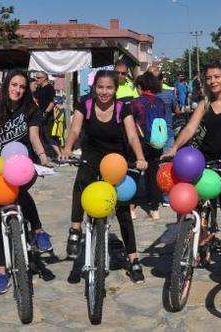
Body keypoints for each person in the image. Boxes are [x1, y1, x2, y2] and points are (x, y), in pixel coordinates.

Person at [0, 70, 54, 294]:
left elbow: (34, 137)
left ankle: (38, 230)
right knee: (1, 210)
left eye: (22, 86)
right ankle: (2, 272)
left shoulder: (30, 110)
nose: (18, 90)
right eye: (14, 85)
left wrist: (43, 157)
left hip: (22, 164)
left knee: (20, 191)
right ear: (6, 86)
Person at [61, 70, 148, 284]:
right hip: (91, 157)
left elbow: (131, 135)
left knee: (122, 209)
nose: (104, 92)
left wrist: (140, 157)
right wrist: (67, 148)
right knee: (82, 180)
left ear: (115, 89)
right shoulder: (86, 105)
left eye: (109, 87)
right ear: (94, 88)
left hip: (116, 161)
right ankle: (75, 228)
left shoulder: (122, 109)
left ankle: (133, 259)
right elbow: (74, 130)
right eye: (100, 87)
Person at [163, 60, 221, 244]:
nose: (212, 81)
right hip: (205, 157)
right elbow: (189, 129)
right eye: (208, 78)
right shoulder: (204, 104)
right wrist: (175, 148)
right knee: (192, 200)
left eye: (217, 77)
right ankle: (195, 237)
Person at [128, 72, 170, 220]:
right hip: (156, 143)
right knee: (153, 175)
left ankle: (131, 208)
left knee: (134, 173)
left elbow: (130, 124)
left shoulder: (136, 103)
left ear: (140, 86)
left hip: (139, 143)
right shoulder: (160, 103)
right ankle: (154, 209)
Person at [33, 71, 60, 159]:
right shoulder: (39, 88)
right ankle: (48, 154)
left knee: (48, 136)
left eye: (38, 78)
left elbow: (52, 102)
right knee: (42, 136)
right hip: (40, 115)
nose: (36, 79)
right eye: (35, 78)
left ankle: (59, 154)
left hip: (48, 116)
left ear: (44, 78)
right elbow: (35, 99)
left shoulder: (50, 88)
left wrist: (46, 112)